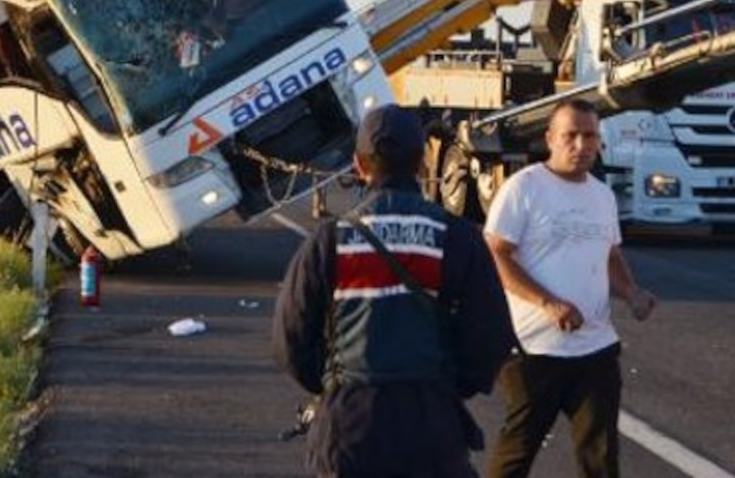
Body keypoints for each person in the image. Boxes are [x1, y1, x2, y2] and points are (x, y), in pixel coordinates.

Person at [273, 104, 516, 477]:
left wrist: (334, 381)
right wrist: (450, 385)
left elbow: (290, 341)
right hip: (431, 425)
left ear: (358, 165)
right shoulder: (458, 238)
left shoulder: (330, 241)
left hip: (349, 427)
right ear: (422, 162)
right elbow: (491, 336)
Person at [484, 99, 658, 478]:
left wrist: (632, 293)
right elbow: (496, 255)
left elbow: (610, 253)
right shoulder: (524, 188)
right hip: (533, 349)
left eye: (590, 136)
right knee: (517, 455)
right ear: (550, 138)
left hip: (594, 348)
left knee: (601, 458)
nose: (581, 145)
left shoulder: (601, 194)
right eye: (571, 136)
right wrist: (548, 304)